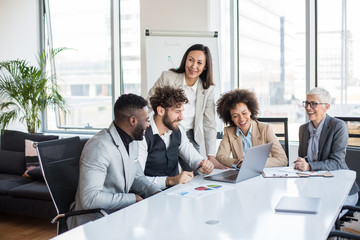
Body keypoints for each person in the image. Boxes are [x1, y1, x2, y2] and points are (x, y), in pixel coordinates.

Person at [67, 94, 161, 229]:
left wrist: (156, 192)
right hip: (94, 220)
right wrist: (132, 198)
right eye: (146, 120)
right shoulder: (99, 146)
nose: (148, 124)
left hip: (117, 214)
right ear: (133, 121)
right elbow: (89, 199)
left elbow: (137, 177)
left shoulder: (133, 141)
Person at [147, 44, 226, 169]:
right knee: (163, 170)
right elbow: (148, 103)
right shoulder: (168, 77)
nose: (193, 66)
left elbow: (209, 122)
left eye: (199, 63)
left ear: (205, 66)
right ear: (185, 60)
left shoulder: (208, 88)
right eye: (190, 60)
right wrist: (138, 125)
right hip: (166, 131)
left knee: (198, 172)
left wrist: (211, 156)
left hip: (189, 135)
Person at [295, 87, 359, 215]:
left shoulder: (338, 126)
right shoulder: (303, 129)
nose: (308, 107)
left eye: (314, 104)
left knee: (327, 216)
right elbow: (303, 158)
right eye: (307, 103)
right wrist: (301, 163)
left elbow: (336, 162)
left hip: (341, 189)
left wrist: (309, 166)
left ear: (327, 107)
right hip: (315, 189)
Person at [139, 86, 214, 190]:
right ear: (161, 111)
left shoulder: (179, 131)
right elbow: (138, 180)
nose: (181, 117)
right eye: (177, 111)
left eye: (182, 111)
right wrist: (170, 180)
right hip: (150, 195)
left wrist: (203, 164)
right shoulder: (142, 136)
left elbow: (193, 158)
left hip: (175, 193)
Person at [216, 89, 288, 168]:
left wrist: (251, 162)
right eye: (235, 116)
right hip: (241, 175)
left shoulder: (266, 129)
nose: (241, 119)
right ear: (231, 118)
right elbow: (220, 157)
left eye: (244, 113)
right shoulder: (229, 131)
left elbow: (283, 159)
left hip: (262, 175)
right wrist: (238, 163)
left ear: (250, 111)